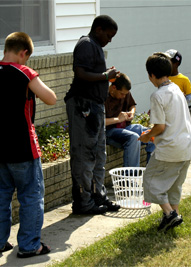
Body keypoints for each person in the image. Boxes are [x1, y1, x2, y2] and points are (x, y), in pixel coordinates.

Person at [0, 32, 57, 258]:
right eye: (26, 57)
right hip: (23, 148)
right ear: (23, 53)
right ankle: (30, 246)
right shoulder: (24, 73)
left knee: (0, 195)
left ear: (5, 49)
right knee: (30, 196)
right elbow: (51, 98)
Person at [64, 15, 121, 215]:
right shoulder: (86, 44)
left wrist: (106, 73)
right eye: (109, 35)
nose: (110, 39)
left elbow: (92, 74)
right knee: (84, 155)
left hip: (95, 106)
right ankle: (83, 202)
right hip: (83, 106)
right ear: (98, 29)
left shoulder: (95, 45)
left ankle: (98, 195)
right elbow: (80, 73)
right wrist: (106, 76)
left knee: (98, 154)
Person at [139, 52, 191, 232]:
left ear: (151, 75)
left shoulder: (158, 95)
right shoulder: (177, 89)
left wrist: (147, 136)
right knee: (174, 184)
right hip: (186, 146)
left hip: (170, 148)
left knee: (150, 180)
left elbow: (160, 127)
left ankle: (170, 214)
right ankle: (172, 217)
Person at [105, 73, 155, 167]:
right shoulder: (103, 97)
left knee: (151, 134)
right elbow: (99, 122)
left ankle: (151, 173)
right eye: (122, 94)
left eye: (126, 94)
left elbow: (132, 105)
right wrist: (118, 119)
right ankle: (131, 179)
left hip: (126, 128)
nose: (124, 96)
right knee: (133, 137)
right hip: (109, 132)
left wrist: (131, 113)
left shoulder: (125, 93)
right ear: (113, 88)